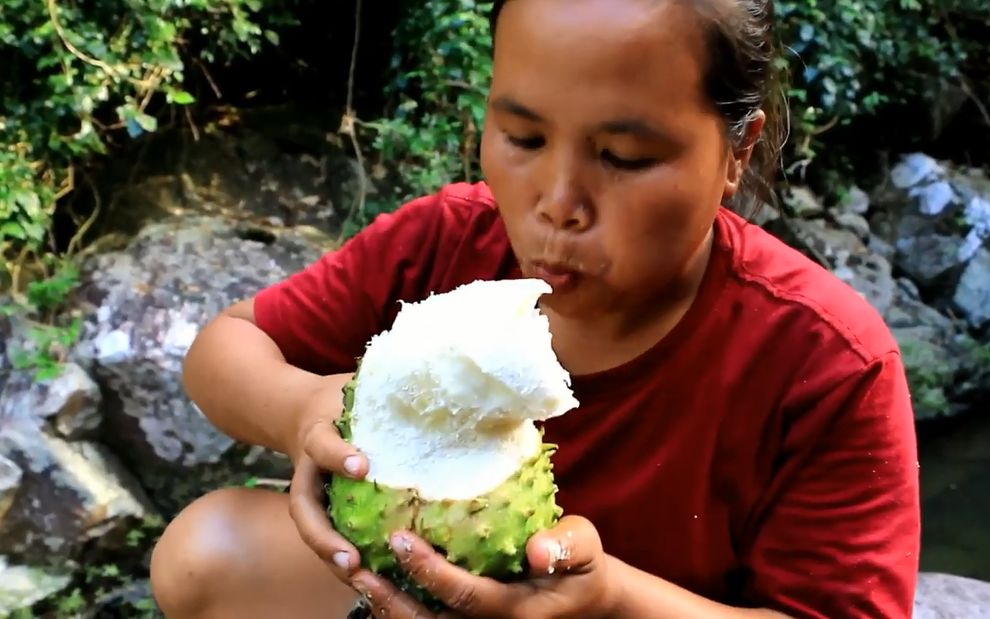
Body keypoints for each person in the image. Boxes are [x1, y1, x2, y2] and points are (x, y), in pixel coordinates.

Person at [148, 0, 922, 617]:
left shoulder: (828, 361)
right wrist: (300, 407)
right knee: (204, 550)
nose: (557, 204)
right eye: (521, 137)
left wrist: (610, 601)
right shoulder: (444, 243)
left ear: (738, 151)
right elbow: (226, 345)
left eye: (623, 157)